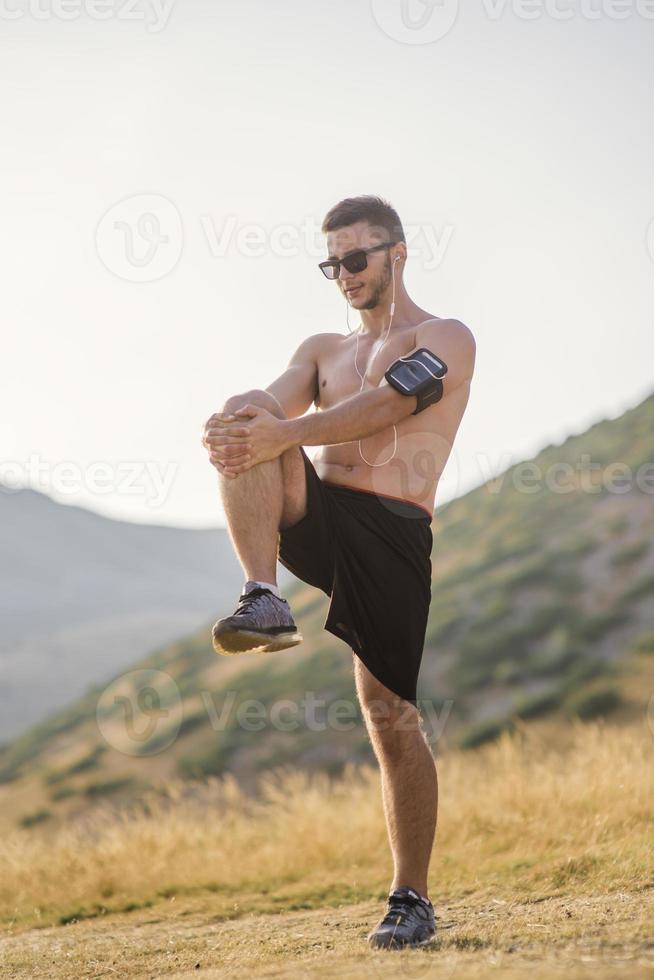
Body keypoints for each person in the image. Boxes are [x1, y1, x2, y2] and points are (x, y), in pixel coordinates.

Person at [201, 195, 476, 949]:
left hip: (392, 531)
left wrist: (279, 432)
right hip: (320, 515)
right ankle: (263, 596)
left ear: (398, 253)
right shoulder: (322, 346)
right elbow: (270, 416)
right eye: (333, 264)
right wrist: (238, 428)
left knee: (389, 717)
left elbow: (391, 405)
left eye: (357, 259)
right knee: (245, 411)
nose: (345, 275)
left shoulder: (445, 336)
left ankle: (411, 898)